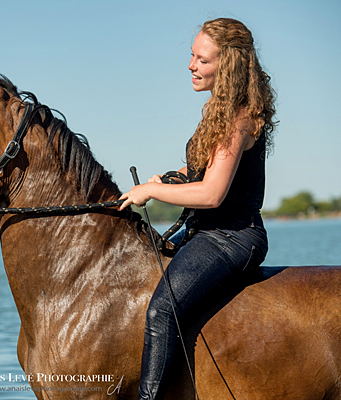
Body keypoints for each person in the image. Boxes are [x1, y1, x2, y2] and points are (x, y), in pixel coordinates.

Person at [118, 18, 277, 400]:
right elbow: (202, 173)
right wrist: (174, 178)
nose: (191, 65)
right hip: (207, 233)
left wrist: (153, 189)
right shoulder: (216, 110)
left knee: (160, 311)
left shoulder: (239, 116)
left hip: (232, 237)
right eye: (192, 55)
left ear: (229, 65)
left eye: (202, 60)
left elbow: (212, 194)